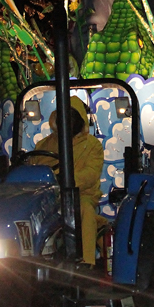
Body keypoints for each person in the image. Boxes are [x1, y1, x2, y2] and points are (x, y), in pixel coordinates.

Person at [31, 96, 103, 267]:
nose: (66, 121)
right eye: (63, 116)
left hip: (79, 196)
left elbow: (91, 174)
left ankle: (86, 263)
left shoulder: (92, 145)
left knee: (84, 210)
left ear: (80, 120)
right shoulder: (43, 145)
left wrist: (67, 180)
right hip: (48, 199)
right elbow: (33, 169)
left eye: (72, 117)